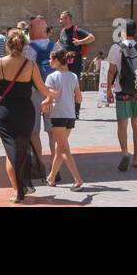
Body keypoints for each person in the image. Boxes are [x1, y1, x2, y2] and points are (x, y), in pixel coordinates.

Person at [0, 29, 54, 204]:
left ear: (8, 44)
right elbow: (42, 89)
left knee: (10, 150)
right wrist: (51, 95)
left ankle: (18, 190)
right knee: (21, 149)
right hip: (26, 111)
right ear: (24, 45)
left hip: (6, 111)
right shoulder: (30, 64)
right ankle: (22, 186)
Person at [107, 18, 137, 172]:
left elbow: (111, 70)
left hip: (122, 91)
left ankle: (125, 152)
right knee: (136, 123)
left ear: (123, 32)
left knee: (122, 124)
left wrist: (108, 90)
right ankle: (136, 158)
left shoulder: (116, 48)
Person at [42, 47, 84, 190]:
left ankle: (77, 179)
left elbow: (49, 99)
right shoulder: (73, 76)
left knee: (63, 148)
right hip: (70, 116)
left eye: (51, 59)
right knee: (60, 147)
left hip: (58, 115)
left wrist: (43, 104)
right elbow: (79, 98)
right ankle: (51, 177)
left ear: (57, 60)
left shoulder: (51, 77)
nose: (49, 61)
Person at [25, 16, 55, 172]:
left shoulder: (29, 48)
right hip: (52, 93)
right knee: (53, 131)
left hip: (34, 92)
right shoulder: (56, 47)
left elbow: (25, 71)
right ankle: (55, 167)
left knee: (34, 132)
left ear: (34, 30)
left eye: (30, 28)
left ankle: (39, 166)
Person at [57, 11, 95, 114]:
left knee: (74, 87)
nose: (60, 21)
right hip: (64, 64)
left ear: (68, 19)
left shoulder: (77, 30)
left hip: (75, 64)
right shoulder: (62, 31)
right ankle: (68, 109)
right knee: (65, 87)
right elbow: (63, 45)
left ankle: (76, 111)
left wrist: (79, 42)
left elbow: (92, 37)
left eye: (62, 19)